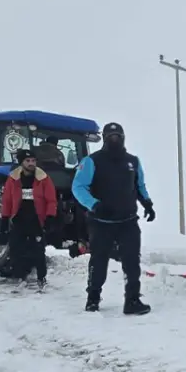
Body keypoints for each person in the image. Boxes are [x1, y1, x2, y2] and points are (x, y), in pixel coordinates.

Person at [71, 122, 156, 314]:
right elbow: (78, 187)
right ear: (104, 139)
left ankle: (132, 300)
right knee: (99, 261)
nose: (114, 139)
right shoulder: (91, 161)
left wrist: (148, 204)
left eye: (118, 135)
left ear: (124, 137)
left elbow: (139, 185)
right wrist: (94, 204)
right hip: (102, 223)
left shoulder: (133, 161)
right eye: (110, 136)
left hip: (128, 221)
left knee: (132, 262)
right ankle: (93, 298)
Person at [0, 148, 58, 289]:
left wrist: (50, 216)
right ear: (21, 163)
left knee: (38, 249)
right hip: (19, 219)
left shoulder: (44, 179)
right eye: (28, 161)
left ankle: (41, 277)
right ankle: (21, 276)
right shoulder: (13, 179)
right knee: (16, 248)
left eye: (33, 160)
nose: (31, 163)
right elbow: (7, 200)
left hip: (36, 219)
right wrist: (4, 219)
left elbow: (51, 200)